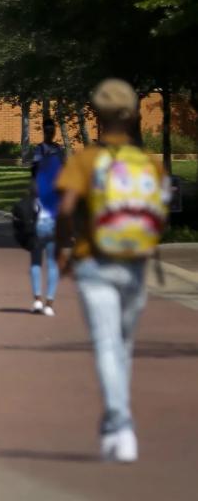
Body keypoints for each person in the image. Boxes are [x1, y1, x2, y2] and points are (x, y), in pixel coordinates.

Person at [55, 79, 168, 463]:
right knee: (124, 347)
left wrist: (64, 249)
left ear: (96, 114)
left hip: (94, 261)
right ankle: (116, 423)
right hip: (135, 264)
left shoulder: (87, 160)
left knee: (106, 346)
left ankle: (119, 425)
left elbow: (66, 208)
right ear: (135, 114)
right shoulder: (151, 163)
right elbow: (160, 213)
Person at [29, 119, 64, 315]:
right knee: (52, 261)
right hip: (53, 217)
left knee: (35, 260)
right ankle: (49, 303)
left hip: (38, 216)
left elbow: (33, 174)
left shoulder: (38, 151)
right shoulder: (59, 152)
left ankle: (37, 300)